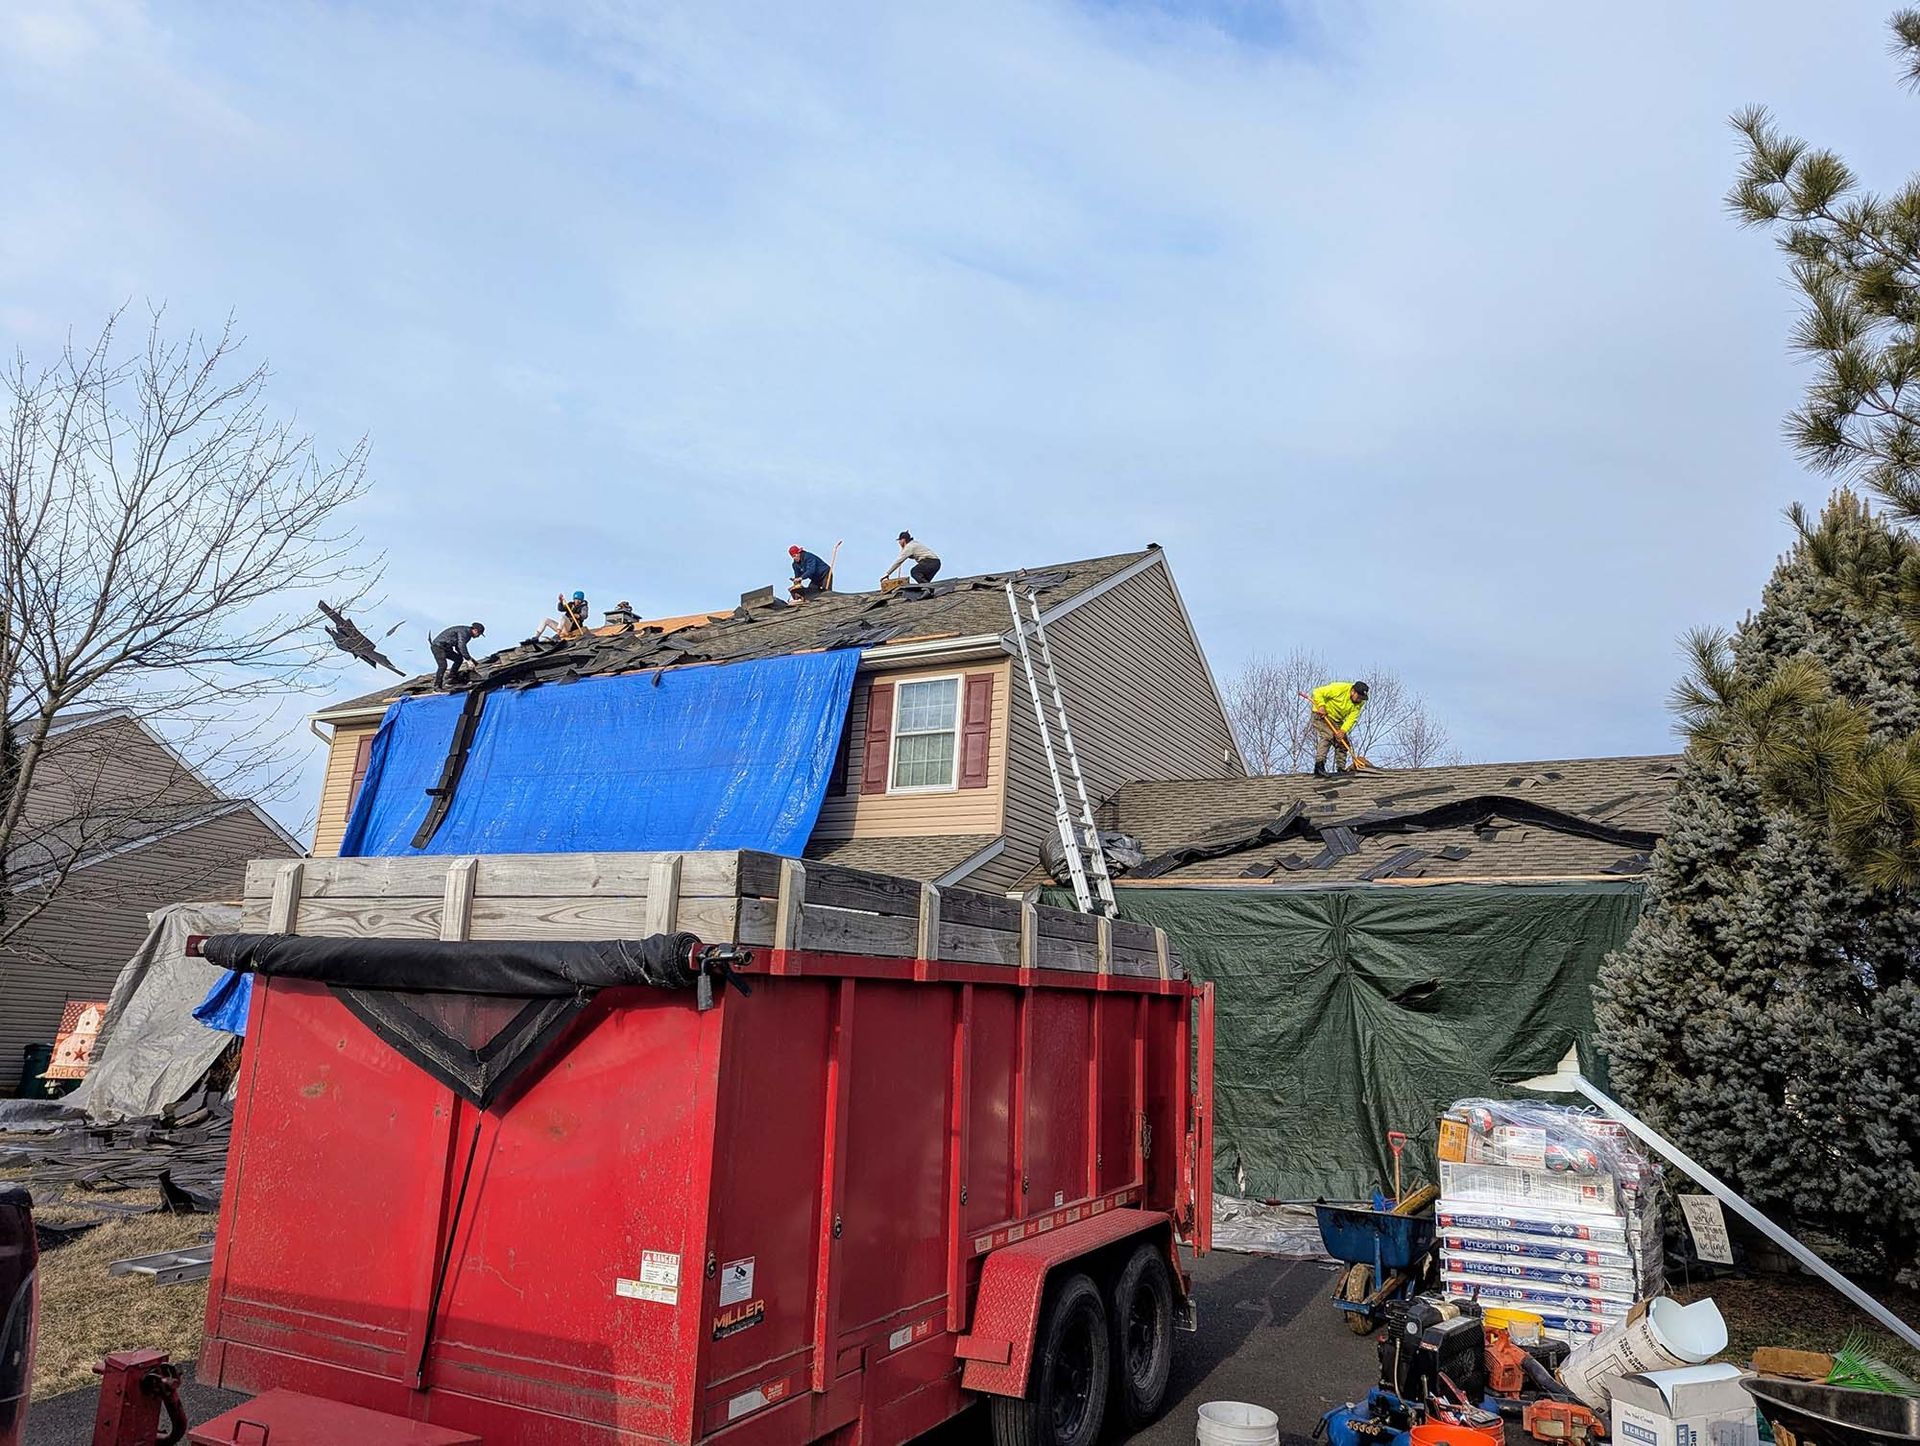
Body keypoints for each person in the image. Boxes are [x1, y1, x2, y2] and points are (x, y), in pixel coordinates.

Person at [1308, 679, 1369, 775]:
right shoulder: (1339, 688)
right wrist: (1321, 706)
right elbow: (1317, 691)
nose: (1360, 700)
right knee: (1328, 736)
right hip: (1322, 715)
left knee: (1343, 742)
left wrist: (1343, 731)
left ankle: (1341, 768)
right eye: (1359, 697)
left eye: (1362, 698)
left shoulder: (1359, 703)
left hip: (1337, 721)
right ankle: (1319, 766)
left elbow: (1351, 718)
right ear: (1352, 691)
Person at [431, 622, 485, 689]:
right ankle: (437, 686)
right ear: (475, 630)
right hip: (438, 646)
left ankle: (451, 678)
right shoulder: (465, 632)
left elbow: (458, 648)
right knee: (443, 665)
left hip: (446, 648)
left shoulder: (467, 634)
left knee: (458, 659)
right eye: (479, 634)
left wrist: (470, 659)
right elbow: (461, 645)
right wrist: (468, 659)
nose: (478, 636)